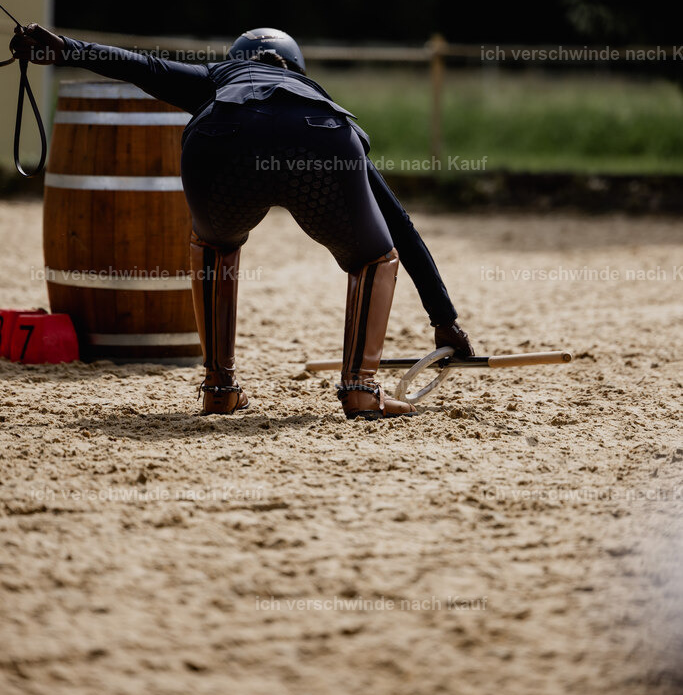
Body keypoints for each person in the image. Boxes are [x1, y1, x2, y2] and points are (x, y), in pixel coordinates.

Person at [12, 24, 475, 420]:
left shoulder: (214, 78)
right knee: (375, 257)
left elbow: (140, 66)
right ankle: (360, 388)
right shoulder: (312, 96)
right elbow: (400, 224)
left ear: (236, 60)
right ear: (295, 70)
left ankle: (219, 388)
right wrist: (444, 319)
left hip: (222, 139)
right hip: (321, 139)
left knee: (213, 246)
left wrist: (66, 49)